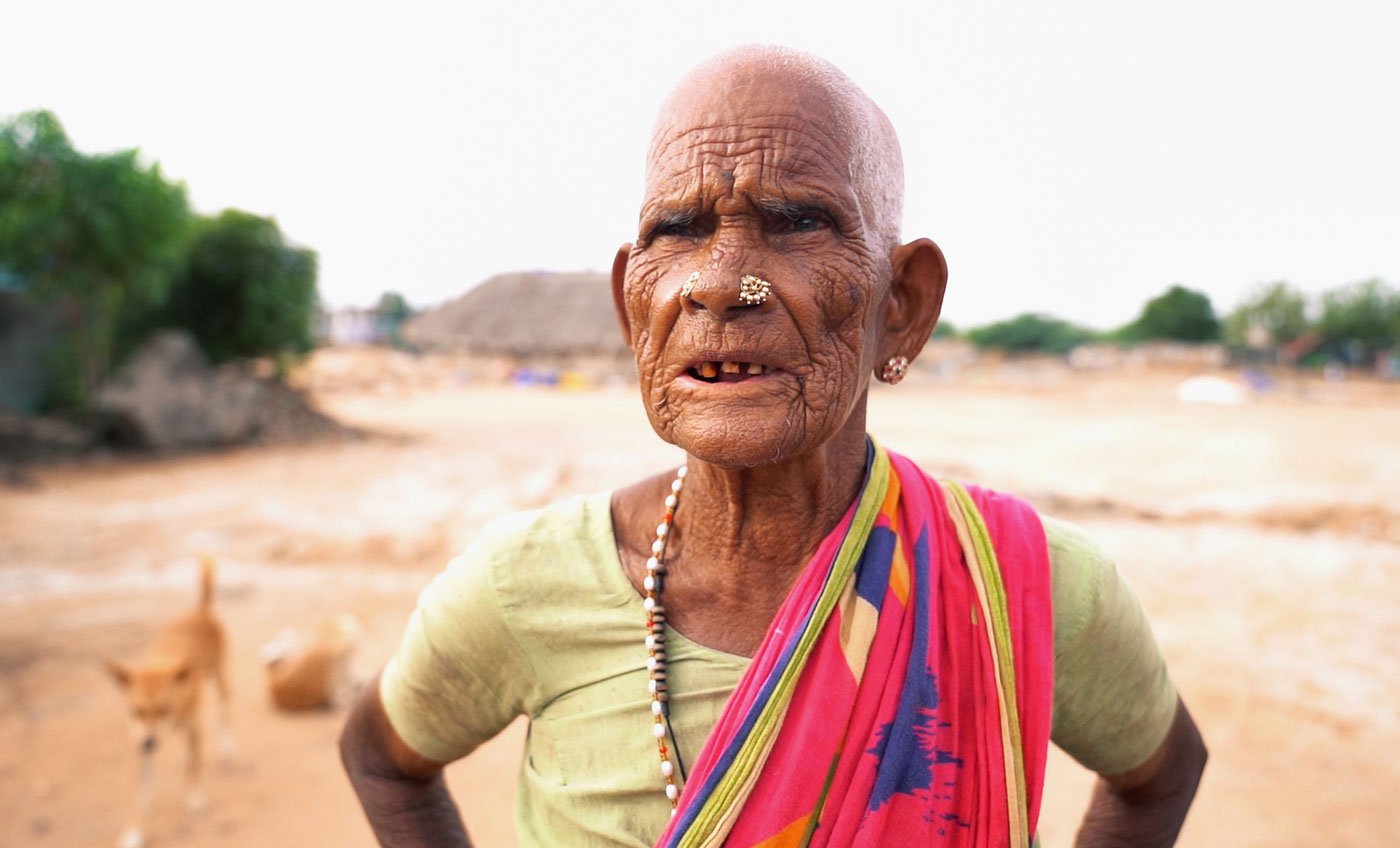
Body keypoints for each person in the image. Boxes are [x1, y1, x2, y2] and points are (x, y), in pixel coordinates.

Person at [340, 45, 1207, 848]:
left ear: (900, 304)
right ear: (629, 307)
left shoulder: (1021, 583)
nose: (721, 283)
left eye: (798, 223)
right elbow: (384, 760)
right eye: (675, 231)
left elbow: (1160, 775)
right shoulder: (522, 582)